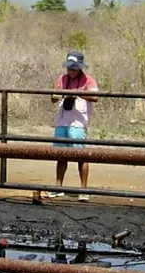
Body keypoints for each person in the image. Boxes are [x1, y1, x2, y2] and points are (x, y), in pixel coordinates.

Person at [36, 50, 99, 202]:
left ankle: (83, 190)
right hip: (62, 121)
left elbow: (95, 97)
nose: (71, 71)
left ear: (80, 68)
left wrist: (78, 93)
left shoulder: (88, 80)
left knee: (81, 156)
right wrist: (58, 92)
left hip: (78, 123)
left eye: (74, 68)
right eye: (69, 68)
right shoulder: (62, 79)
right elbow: (53, 98)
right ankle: (58, 188)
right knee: (61, 155)